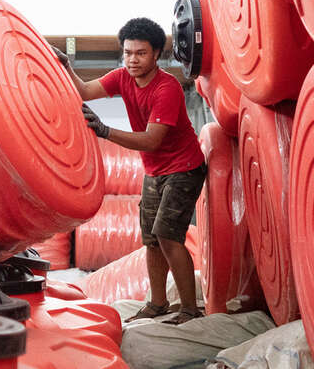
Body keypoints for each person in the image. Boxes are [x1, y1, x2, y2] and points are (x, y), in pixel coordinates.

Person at [53, 17, 206, 325]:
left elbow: (151, 140)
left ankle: (190, 309)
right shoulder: (122, 77)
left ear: (157, 54)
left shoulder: (168, 88)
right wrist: (66, 66)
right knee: (151, 238)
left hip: (184, 168)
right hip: (155, 170)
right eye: (128, 53)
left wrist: (105, 131)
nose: (133, 60)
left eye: (141, 53)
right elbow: (84, 91)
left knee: (167, 235)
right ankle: (159, 303)